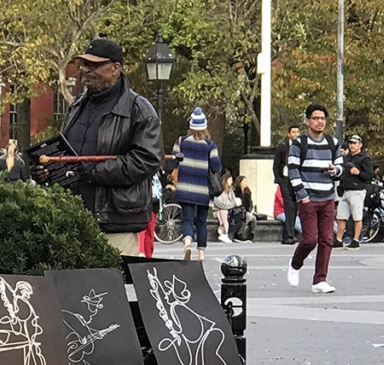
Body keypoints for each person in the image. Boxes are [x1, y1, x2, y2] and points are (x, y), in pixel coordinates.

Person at [36, 38, 162, 256]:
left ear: (115, 69)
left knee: (109, 287)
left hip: (115, 222)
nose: (86, 70)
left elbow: (147, 160)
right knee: (73, 288)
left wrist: (96, 171)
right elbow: (68, 153)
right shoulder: (77, 104)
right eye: (84, 64)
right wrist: (48, 170)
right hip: (73, 218)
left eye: (94, 65)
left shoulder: (139, 110)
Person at [286, 103, 343, 294]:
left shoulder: (333, 143)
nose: (320, 122)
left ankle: (320, 279)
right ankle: (295, 264)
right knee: (310, 239)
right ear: (307, 121)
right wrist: (302, 196)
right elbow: (292, 170)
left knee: (327, 239)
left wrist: (335, 171)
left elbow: (340, 167)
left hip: (327, 197)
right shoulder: (299, 143)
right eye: (316, 118)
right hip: (308, 198)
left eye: (322, 119)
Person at [169, 107, 222, 260]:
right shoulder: (210, 145)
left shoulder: (181, 141)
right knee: (201, 221)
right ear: (204, 126)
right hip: (203, 191)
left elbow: (173, 163)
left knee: (187, 219)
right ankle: (201, 253)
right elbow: (216, 166)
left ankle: (187, 244)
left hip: (185, 189)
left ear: (191, 125)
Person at [334, 134, 373, 250]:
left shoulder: (364, 158)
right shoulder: (346, 158)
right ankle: (338, 239)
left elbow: (370, 175)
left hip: (357, 190)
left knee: (357, 216)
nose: (352, 146)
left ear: (360, 145)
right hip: (345, 190)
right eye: (350, 143)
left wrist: (359, 173)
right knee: (341, 216)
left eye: (354, 143)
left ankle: (356, 240)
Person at [273, 124, 300, 244]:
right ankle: (289, 235)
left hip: (296, 179)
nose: (295, 134)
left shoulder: (300, 146)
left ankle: (288, 235)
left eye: (297, 132)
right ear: (289, 134)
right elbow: (276, 165)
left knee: (294, 206)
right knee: (289, 206)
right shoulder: (283, 147)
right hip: (285, 179)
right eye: (293, 132)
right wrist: (279, 179)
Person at [213, 171, 237, 243]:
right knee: (224, 211)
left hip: (230, 209)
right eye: (230, 180)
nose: (232, 182)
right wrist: (233, 204)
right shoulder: (220, 191)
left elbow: (234, 200)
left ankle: (226, 232)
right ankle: (225, 232)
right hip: (220, 210)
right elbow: (219, 204)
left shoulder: (231, 191)